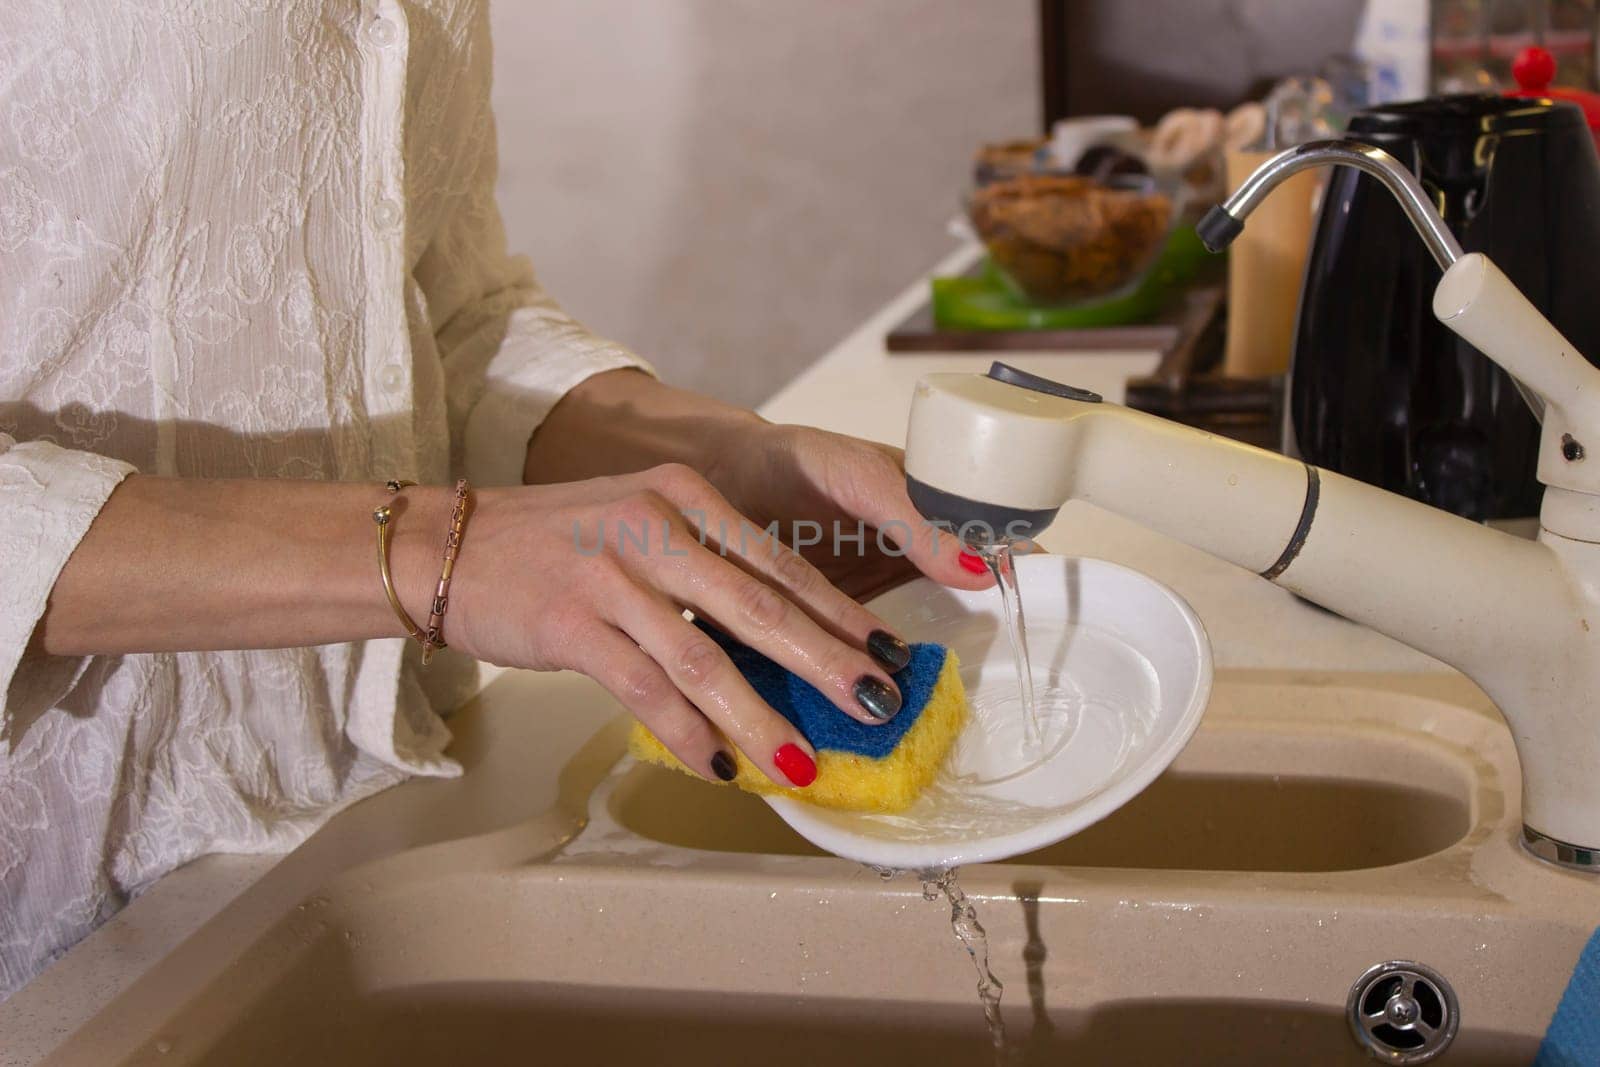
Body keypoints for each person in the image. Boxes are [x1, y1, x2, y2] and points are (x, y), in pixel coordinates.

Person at [0, 0, 992, 997]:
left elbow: (445, 315)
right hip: (54, 910)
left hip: (368, 828)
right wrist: (440, 551)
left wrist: (733, 463)